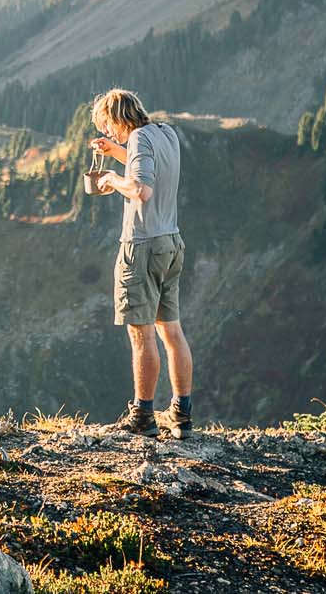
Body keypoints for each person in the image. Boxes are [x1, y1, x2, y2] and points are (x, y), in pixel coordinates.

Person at [88, 88, 193, 439]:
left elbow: (141, 189)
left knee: (141, 333)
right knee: (171, 332)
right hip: (171, 242)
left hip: (142, 245)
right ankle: (180, 412)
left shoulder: (137, 140)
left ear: (118, 118)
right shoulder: (164, 133)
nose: (110, 134)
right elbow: (146, 161)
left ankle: (143, 416)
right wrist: (115, 152)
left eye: (109, 127)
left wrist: (111, 180)